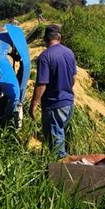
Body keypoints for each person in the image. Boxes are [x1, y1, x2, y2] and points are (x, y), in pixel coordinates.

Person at [29, 25, 77, 158]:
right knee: (58, 135)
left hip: (54, 105)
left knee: (56, 147)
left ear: (45, 39)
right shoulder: (69, 53)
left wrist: (33, 104)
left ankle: (61, 174)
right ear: (59, 37)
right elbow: (73, 79)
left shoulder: (45, 57)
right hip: (68, 103)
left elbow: (42, 84)